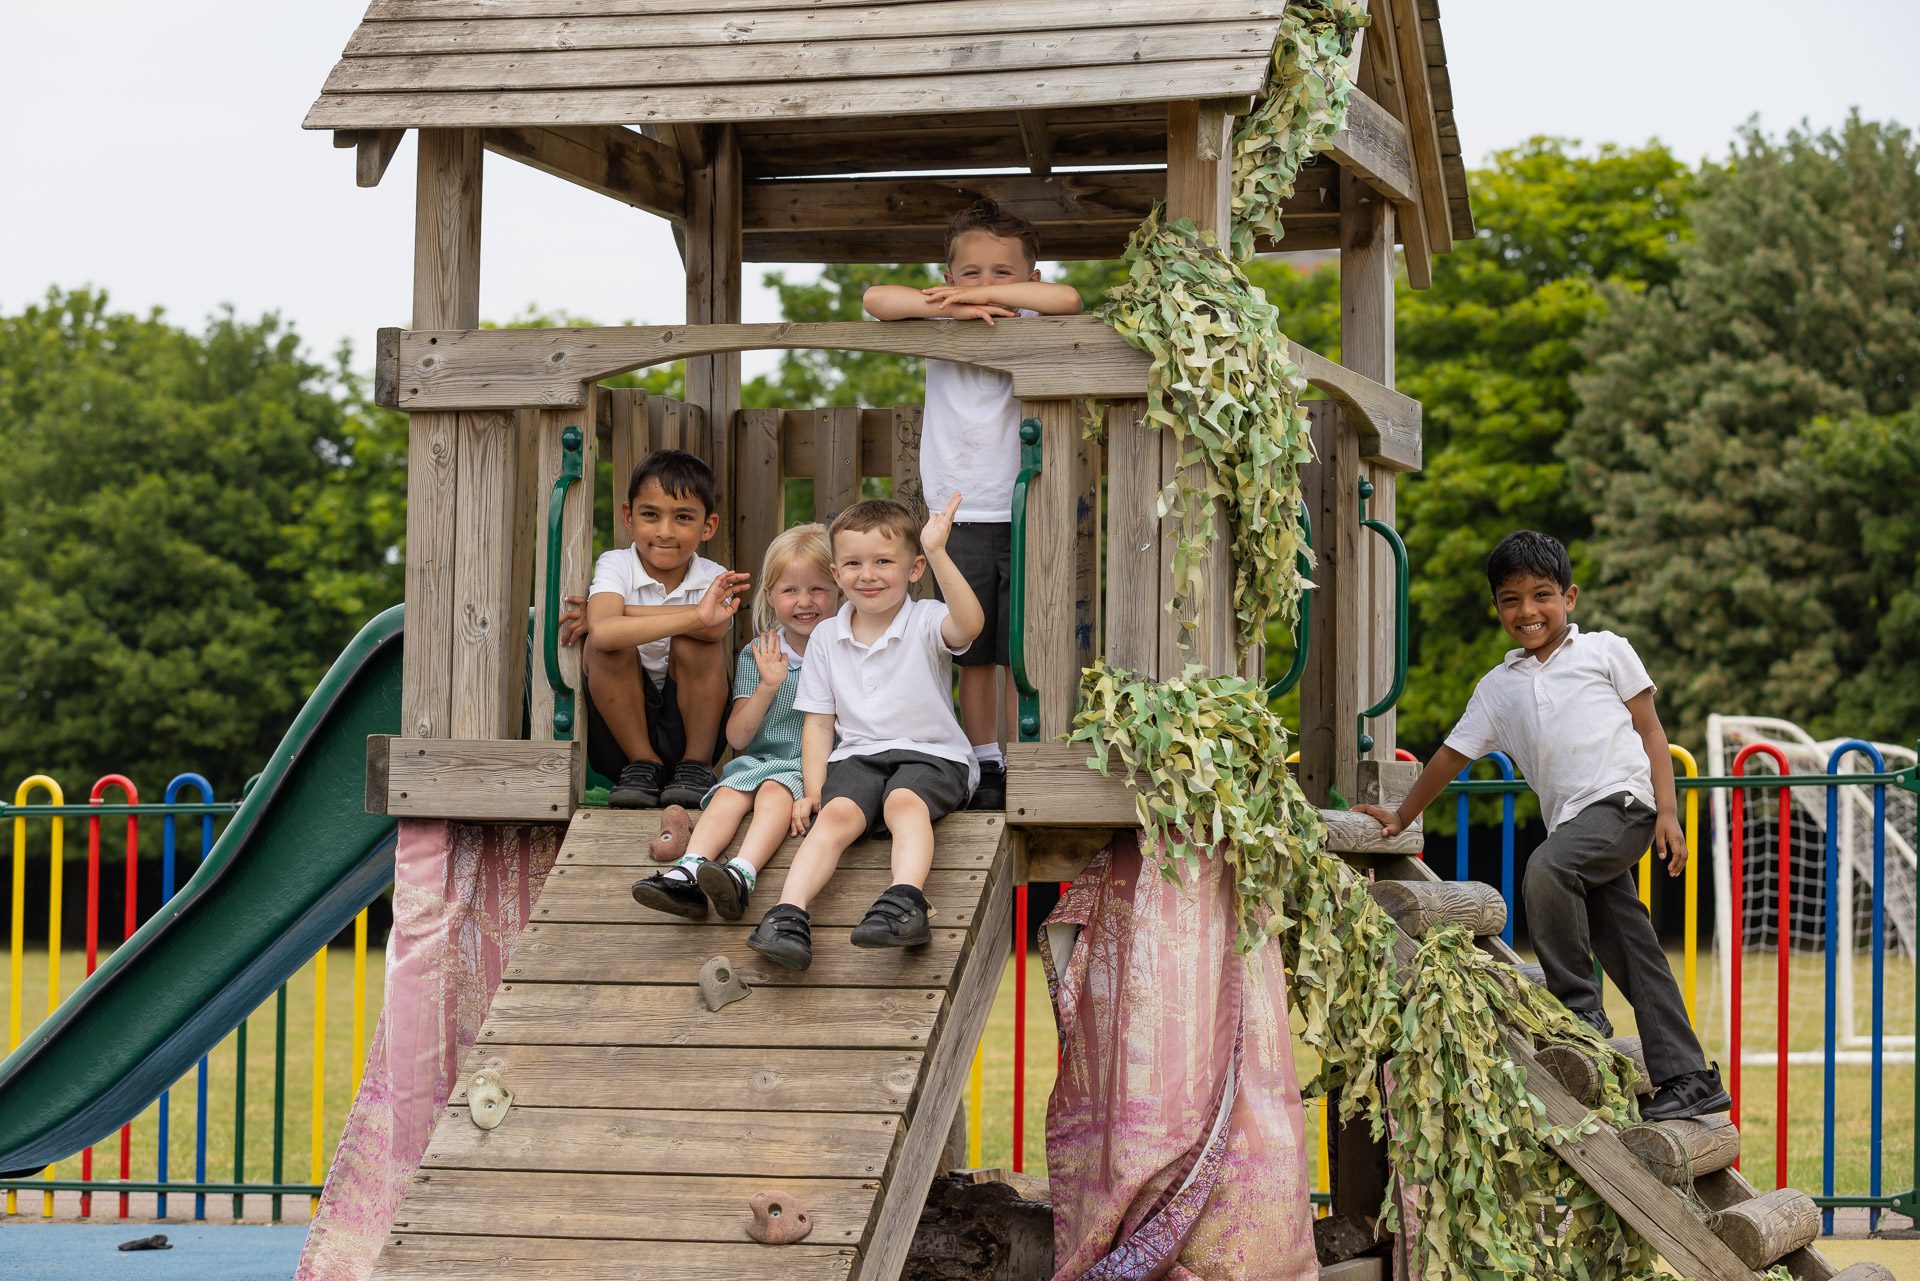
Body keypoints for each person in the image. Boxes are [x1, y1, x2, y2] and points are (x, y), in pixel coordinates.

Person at [1354, 530, 1731, 1121]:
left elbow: (1652, 732)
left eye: (1542, 595)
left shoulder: (1605, 651)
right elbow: (1451, 757)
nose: (1527, 611)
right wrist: (1402, 815)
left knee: (1546, 869)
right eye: (1511, 600)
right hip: (1577, 826)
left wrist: (1668, 812)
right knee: (1631, 947)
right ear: (1498, 607)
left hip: (1626, 804)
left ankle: (1579, 1015)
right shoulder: (1497, 689)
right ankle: (1688, 1075)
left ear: (1570, 597)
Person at [862, 198, 1082, 810]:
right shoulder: (942, 321)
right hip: (955, 515)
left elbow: (1068, 300)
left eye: (1001, 273)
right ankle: (982, 760)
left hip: (1026, 507)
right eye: (971, 273)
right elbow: (876, 299)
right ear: (948, 276)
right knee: (971, 647)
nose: (986, 286)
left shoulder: (1035, 319)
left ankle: (1023, 758)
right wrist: (953, 303)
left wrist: (1008, 302)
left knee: (1021, 646)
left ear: (1029, 278)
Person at [745, 495, 981, 971]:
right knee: (835, 816)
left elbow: (970, 623)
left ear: (914, 569)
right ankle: (787, 915)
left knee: (902, 803)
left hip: (932, 755)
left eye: (883, 562)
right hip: (858, 757)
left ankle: (904, 901)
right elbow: (819, 721)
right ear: (836, 574)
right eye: (853, 563)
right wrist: (812, 792)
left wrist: (938, 550)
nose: (867, 574)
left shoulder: (926, 618)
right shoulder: (828, 638)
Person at [629, 524, 839, 921]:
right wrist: (768, 686)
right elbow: (738, 736)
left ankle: (741, 874)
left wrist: (815, 790)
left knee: (774, 791)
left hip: (810, 771)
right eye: (790, 590)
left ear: (839, 591)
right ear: (770, 597)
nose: (804, 601)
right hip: (756, 763)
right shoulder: (757, 654)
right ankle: (688, 872)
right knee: (729, 792)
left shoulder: (846, 653)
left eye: (817, 589)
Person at [582, 449, 749, 810]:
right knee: (606, 648)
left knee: (696, 644)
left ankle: (695, 766)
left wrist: (620, 612)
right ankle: (645, 763)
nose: (665, 531)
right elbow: (604, 634)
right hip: (621, 745)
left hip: (690, 733)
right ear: (629, 516)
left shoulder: (713, 575)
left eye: (683, 517)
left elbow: (712, 632)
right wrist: (697, 615)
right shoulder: (616, 563)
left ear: (708, 526)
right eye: (650, 515)